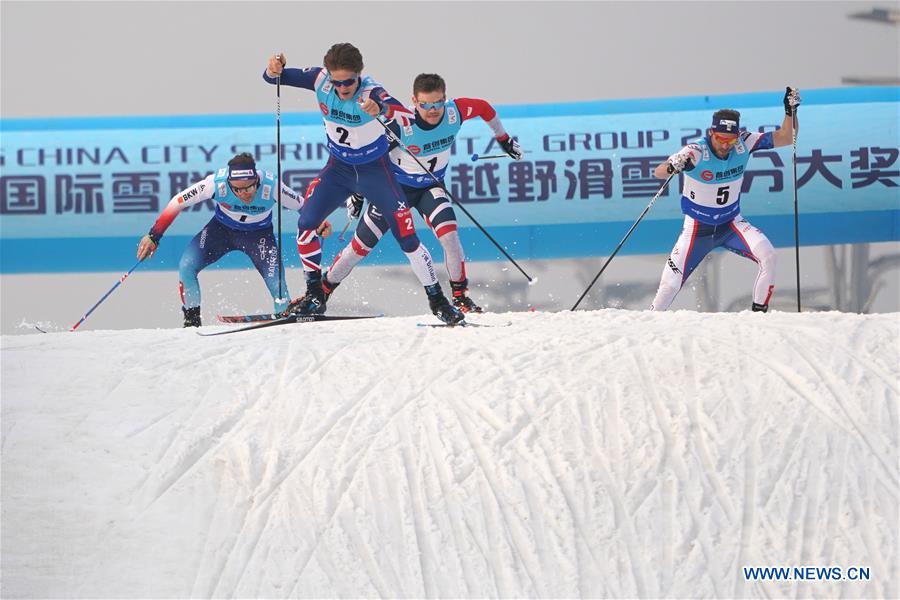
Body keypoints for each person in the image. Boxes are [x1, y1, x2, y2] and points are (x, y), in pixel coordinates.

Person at [263, 44, 464, 324]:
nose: (343, 88)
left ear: (359, 75)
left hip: (375, 173)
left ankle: (438, 300)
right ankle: (314, 295)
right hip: (338, 171)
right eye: (337, 82)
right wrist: (273, 69)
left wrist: (380, 108)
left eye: (349, 82)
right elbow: (273, 78)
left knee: (407, 237)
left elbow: (403, 114)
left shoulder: (371, 91)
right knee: (306, 222)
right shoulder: (320, 79)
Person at [324, 73, 523, 313]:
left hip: (430, 188)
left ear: (445, 99)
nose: (433, 110)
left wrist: (503, 138)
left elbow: (484, 108)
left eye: (438, 103)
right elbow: (367, 160)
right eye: (426, 104)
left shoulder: (455, 113)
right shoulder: (401, 122)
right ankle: (320, 292)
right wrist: (357, 194)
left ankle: (460, 297)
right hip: (394, 192)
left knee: (450, 237)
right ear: (414, 101)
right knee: (359, 248)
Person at [648, 87, 802, 313]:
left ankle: (759, 316)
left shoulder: (745, 142)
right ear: (711, 133)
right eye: (720, 139)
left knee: (769, 255)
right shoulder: (696, 151)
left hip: (731, 224)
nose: (724, 146)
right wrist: (673, 166)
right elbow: (658, 172)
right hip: (697, 229)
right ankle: (648, 324)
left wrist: (790, 111)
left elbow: (787, 136)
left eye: (730, 141)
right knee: (669, 286)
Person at [136, 153, 310, 327]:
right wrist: (154, 236)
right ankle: (191, 321)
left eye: (249, 188)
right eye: (237, 190)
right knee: (186, 265)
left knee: (278, 286)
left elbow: (304, 207)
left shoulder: (272, 186)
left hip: (259, 237)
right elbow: (178, 201)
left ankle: (285, 318)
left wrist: (320, 224)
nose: (243, 194)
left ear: (257, 180)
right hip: (220, 231)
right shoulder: (215, 183)